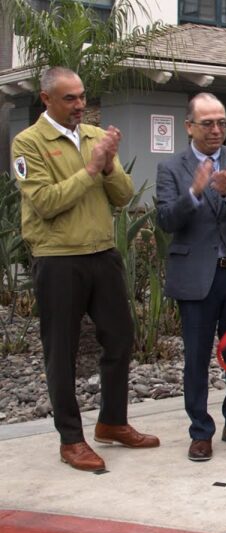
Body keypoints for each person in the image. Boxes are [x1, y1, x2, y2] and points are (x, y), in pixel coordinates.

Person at [11, 66, 159, 472]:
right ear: (46, 100)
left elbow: (124, 196)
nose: (81, 105)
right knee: (62, 350)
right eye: (70, 98)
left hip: (102, 252)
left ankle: (112, 422)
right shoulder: (28, 143)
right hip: (58, 258)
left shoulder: (95, 137)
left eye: (82, 96)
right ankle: (71, 440)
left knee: (120, 338)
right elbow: (45, 202)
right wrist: (91, 168)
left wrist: (109, 166)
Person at [156, 93, 226, 462]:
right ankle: (200, 431)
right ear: (189, 126)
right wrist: (195, 192)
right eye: (208, 123)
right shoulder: (172, 168)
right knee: (197, 358)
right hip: (196, 277)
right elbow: (167, 220)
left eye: (221, 122)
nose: (217, 129)